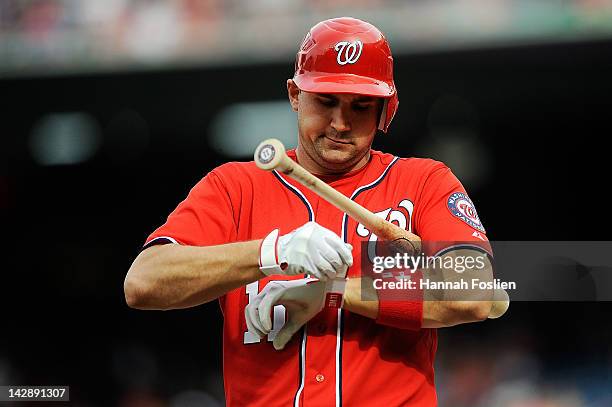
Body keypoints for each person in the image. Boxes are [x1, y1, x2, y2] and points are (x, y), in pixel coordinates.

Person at [124, 17, 494, 406]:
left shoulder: (423, 181)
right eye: (326, 100)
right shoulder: (235, 186)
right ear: (295, 95)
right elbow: (143, 283)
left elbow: (473, 292)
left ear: (385, 108)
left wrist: (333, 293)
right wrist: (271, 253)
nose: (340, 123)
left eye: (361, 106)